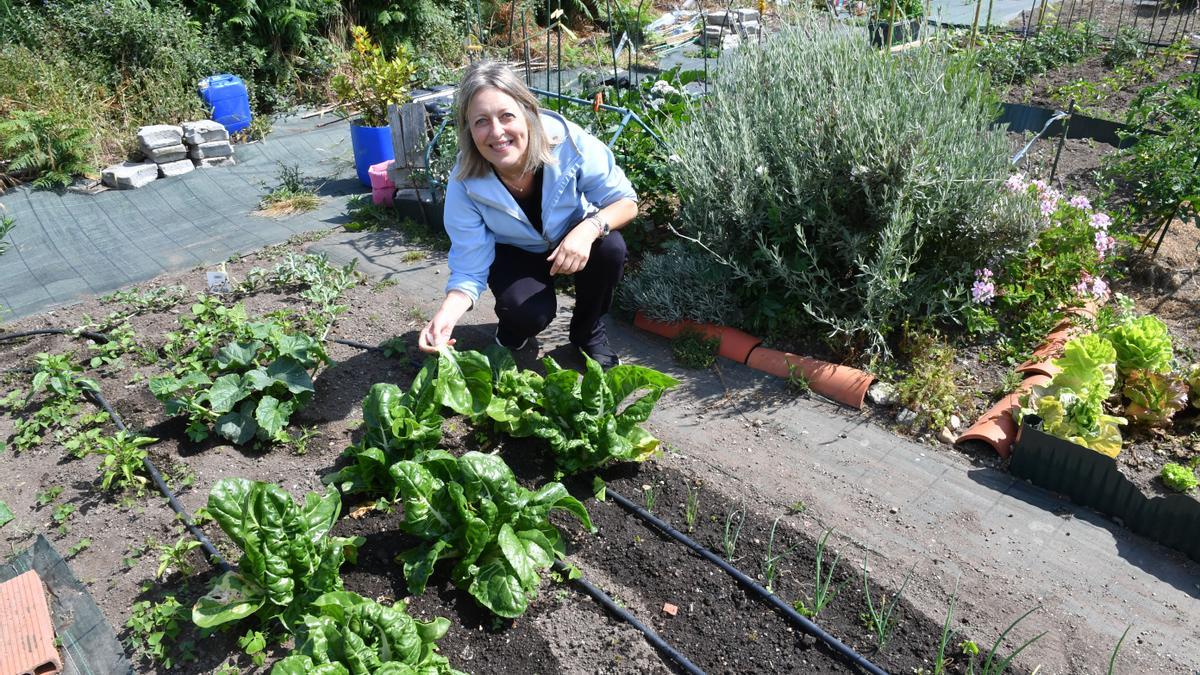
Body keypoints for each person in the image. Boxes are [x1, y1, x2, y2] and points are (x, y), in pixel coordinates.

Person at [417, 61, 639, 368]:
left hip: (571, 235)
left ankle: (588, 333)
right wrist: (446, 314)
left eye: (506, 115)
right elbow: (469, 264)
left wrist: (589, 228)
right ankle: (513, 327)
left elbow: (626, 202)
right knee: (526, 313)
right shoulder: (464, 182)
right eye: (481, 121)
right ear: (469, 129)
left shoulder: (569, 144)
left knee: (610, 249)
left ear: (528, 112)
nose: (497, 132)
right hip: (514, 250)